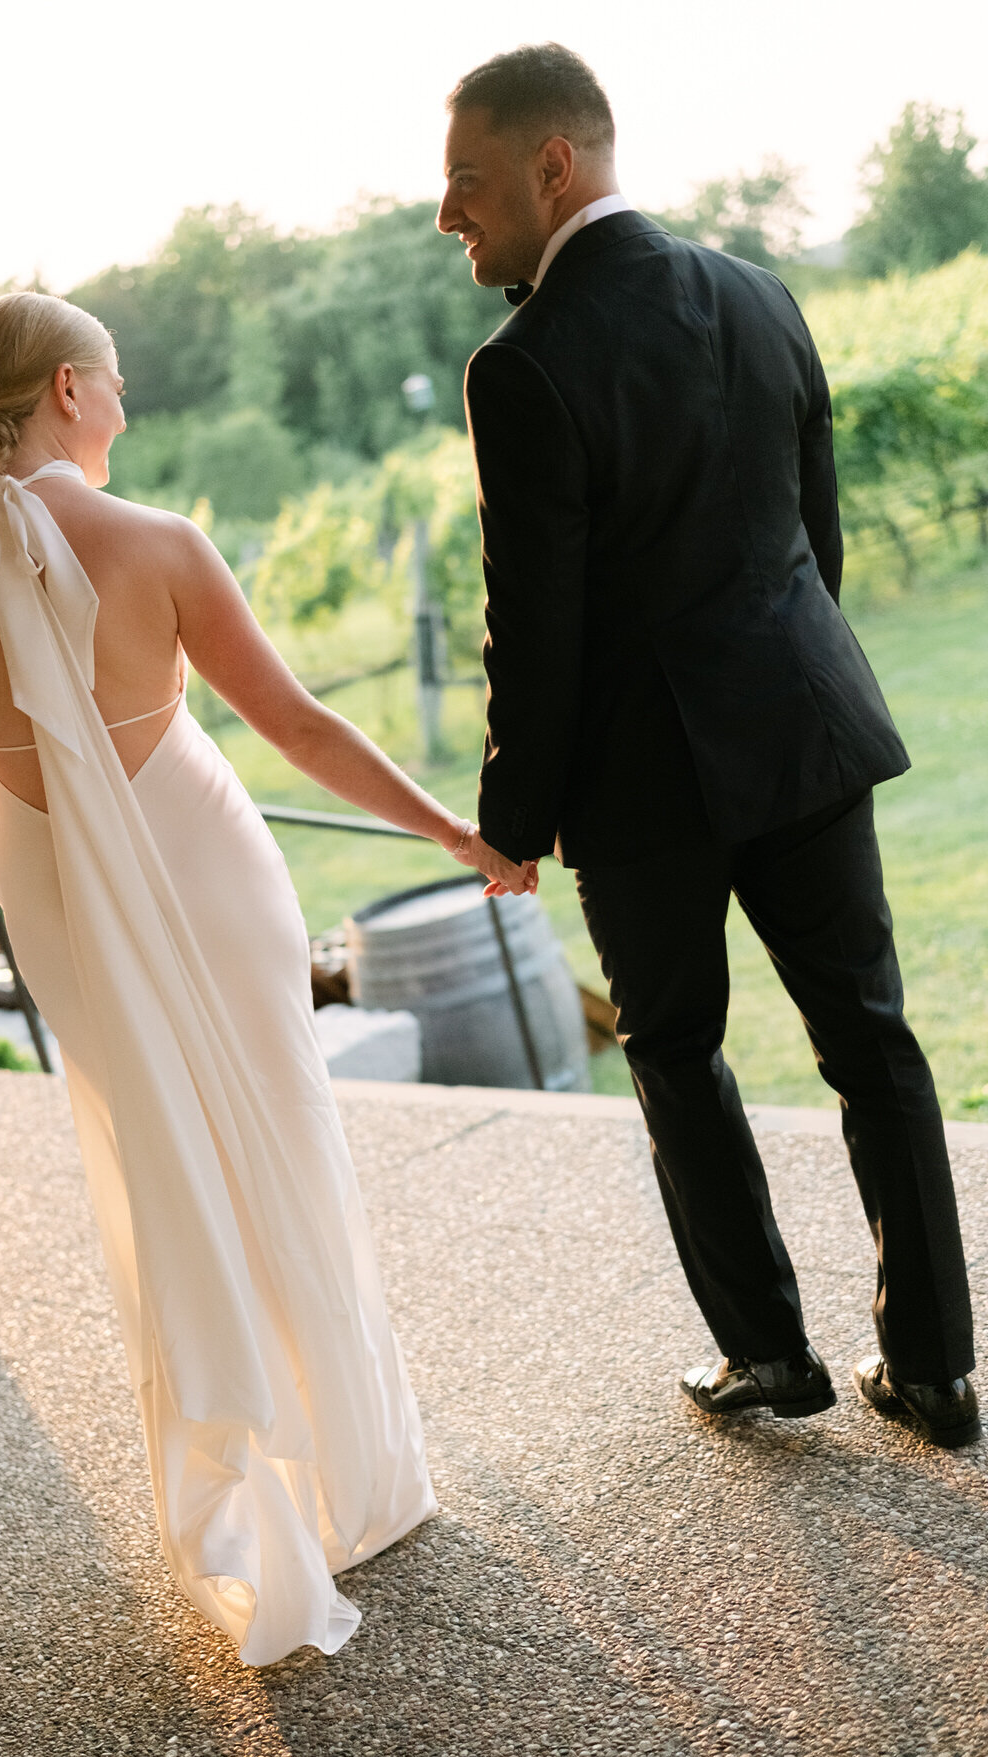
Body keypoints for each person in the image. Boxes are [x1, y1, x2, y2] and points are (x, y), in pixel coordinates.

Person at [0, 291, 532, 1664]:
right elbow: (292, 722)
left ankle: (239, 1482)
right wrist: (452, 832)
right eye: (112, 383)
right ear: (63, 389)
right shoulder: (159, 544)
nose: (125, 406)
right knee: (281, 1145)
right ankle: (348, 1469)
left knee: (158, 1162)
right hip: (213, 880)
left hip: (52, 893)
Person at [438, 42, 979, 1448]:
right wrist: (788, 687)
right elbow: (816, 533)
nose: (452, 215)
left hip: (642, 790)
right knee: (875, 1042)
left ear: (554, 166)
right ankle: (934, 1372)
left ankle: (769, 1358)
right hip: (804, 730)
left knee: (677, 1050)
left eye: (470, 181)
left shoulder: (523, 365)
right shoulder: (760, 292)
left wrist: (513, 817)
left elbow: (534, 628)